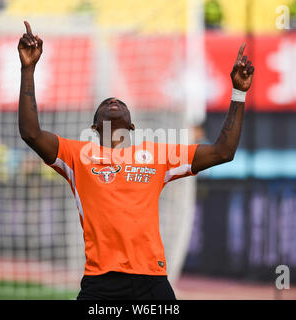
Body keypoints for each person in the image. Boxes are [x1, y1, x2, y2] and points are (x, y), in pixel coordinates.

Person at [18, 21, 254, 300]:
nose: (113, 101)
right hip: (100, 284)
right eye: (106, 102)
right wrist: (28, 69)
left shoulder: (157, 156)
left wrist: (239, 92)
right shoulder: (76, 155)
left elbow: (223, 151)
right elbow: (31, 133)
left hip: (151, 283)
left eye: (119, 102)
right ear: (94, 127)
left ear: (132, 127)